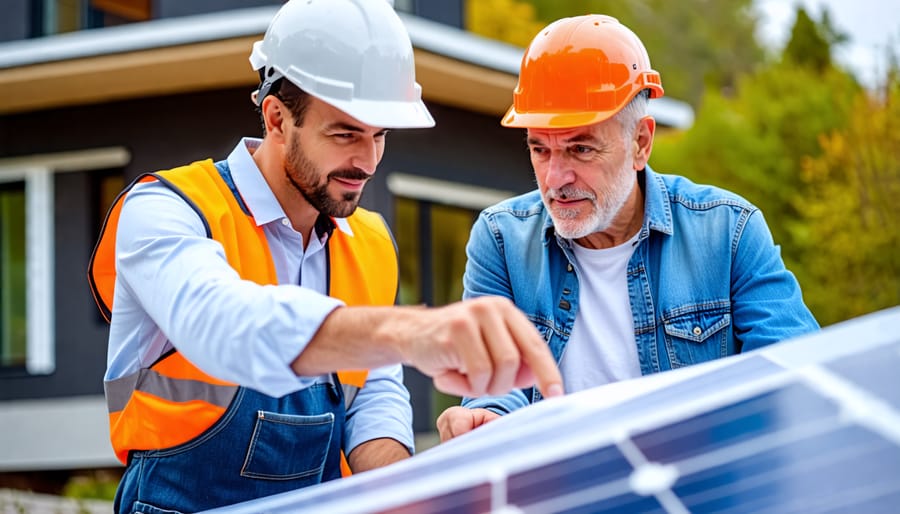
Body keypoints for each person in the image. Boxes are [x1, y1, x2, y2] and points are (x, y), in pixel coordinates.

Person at [86, 1, 562, 512]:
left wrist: (412, 493)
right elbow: (222, 325)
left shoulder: (372, 242)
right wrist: (410, 332)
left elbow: (373, 400)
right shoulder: (164, 210)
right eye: (345, 133)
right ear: (276, 118)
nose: (367, 161)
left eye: (380, 135)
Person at [436, 14, 820, 442]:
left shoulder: (728, 232)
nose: (555, 178)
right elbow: (496, 384)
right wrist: (486, 418)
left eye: (580, 148)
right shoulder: (500, 241)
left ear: (641, 143)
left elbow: (797, 372)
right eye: (540, 149)